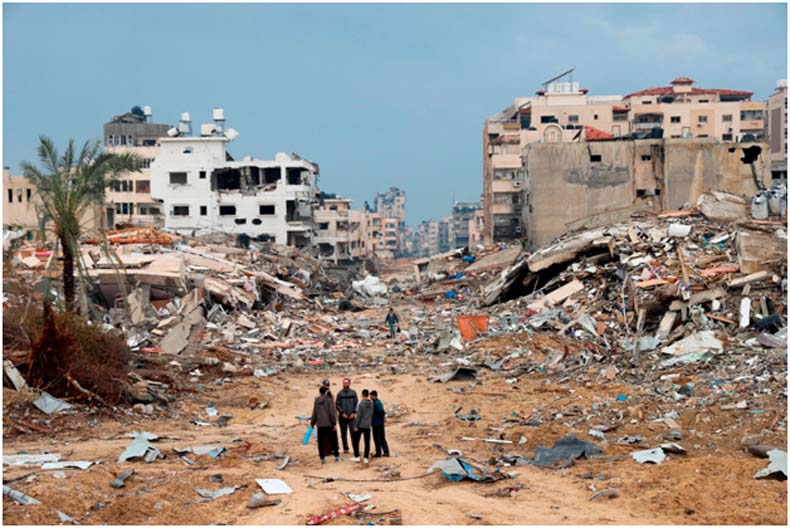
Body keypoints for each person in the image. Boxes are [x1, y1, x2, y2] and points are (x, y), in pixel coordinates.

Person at [310, 386, 341, 464]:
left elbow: (314, 412)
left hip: (320, 424)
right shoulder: (329, 400)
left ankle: (322, 458)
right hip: (329, 424)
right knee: (334, 440)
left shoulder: (317, 400)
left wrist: (312, 422)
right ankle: (337, 456)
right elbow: (332, 412)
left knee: (321, 442)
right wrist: (334, 423)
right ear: (326, 392)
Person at [335, 378, 358, 454]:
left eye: (347, 383)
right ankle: (345, 448)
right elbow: (337, 404)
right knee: (343, 433)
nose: (345, 384)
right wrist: (342, 413)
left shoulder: (353, 393)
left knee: (353, 433)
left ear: (349, 383)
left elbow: (356, 403)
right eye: (344, 383)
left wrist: (354, 413)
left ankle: (355, 448)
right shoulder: (339, 393)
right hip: (343, 417)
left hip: (352, 417)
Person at [351, 389, 374, 463]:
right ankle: (366, 457)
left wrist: (355, 426)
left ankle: (357, 456)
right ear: (368, 395)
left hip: (360, 425)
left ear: (362, 395)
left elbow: (358, 416)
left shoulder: (361, 404)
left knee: (355, 441)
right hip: (367, 425)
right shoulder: (371, 404)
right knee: (367, 442)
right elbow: (371, 414)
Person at [370, 390, 390, 457]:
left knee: (377, 438)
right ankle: (386, 451)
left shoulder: (376, 403)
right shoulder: (379, 402)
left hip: (376, 423)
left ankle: (378, 452)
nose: (370, 397)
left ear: (374, 396)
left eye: (371, 396)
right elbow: (382, 412)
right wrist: (383, 419)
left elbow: (380, 412)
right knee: (382, 438)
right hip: (380, 423)